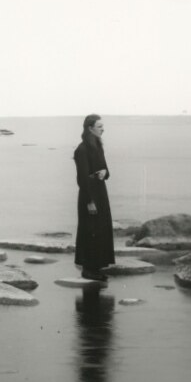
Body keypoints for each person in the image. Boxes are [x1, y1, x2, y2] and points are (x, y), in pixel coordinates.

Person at [73, 114, 114, 281]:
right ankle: (87, 269)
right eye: (99, 126)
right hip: (89, 193)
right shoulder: (81, 149)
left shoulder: (98, 146)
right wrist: (89, 201)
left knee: (101, 228)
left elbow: (106, 171)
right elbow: (82, 178)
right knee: (89, 230)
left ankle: (97, 267)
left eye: (102, 126)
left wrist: (105, 173)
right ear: (90, 128)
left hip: (100, 191)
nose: (103, 129)